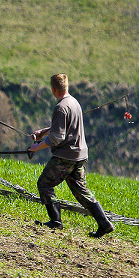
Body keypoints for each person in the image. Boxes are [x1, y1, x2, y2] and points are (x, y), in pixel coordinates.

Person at [28, 74, 114, 238]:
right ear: (66, 87)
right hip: (80, 155)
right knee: (81, 191)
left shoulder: (60, 107)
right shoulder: (74, 102)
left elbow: (57, 137)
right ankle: (104, 224)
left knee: (44, 184)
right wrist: (43, 131)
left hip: (66, 156)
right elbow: (62, 126)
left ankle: (55, 221)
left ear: (53, 89)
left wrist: (36, 147)